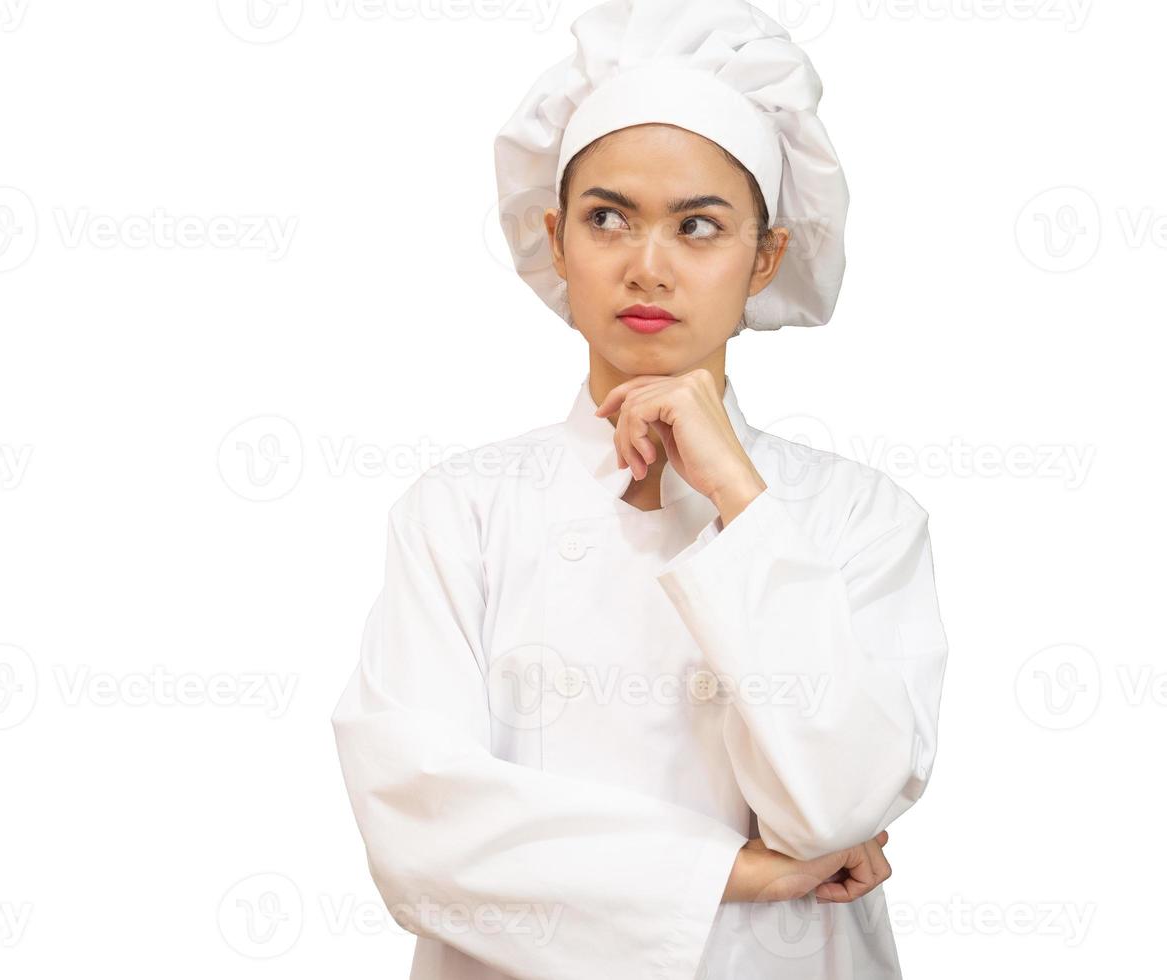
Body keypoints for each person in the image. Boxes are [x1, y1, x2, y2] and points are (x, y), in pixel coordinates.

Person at [330, 1, 949, 977]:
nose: (646, 265)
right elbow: (419, 827)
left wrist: (739, 497)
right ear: (554, 238)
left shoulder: (858, 518)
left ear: (765, 257)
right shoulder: (460, 511)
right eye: (606, 217)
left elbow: (837, 802)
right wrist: (738, 869)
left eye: (697, 225)